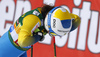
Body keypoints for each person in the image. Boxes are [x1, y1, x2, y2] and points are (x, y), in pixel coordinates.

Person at [0, 4, 81, 57]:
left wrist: (65, 29)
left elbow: (77, 19)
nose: (48, 33)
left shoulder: (57, 15)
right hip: (6, 49)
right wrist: (37, 37)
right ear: (48, 23)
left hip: (20, 49)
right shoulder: (33, 20)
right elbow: (22, 41)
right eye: (50, 31)